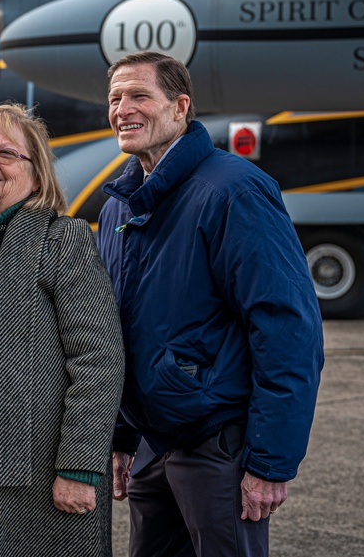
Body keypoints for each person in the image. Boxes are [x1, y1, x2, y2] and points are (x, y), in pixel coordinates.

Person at [96, 51, 325, 556]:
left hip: (217, 443)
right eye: (115, 98)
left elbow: (287, 328)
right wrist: (121, 436)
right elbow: (111, 332)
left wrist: (269, 462)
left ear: (180, 107)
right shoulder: (118, 205)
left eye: (138, 95)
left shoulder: (234, 191)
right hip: (153, 443)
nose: (122, 109)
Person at [0, 102, 125, 556]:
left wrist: (79, 466)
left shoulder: (62, 240)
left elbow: (98, 359)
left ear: (36, 175)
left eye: (7, 153)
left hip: (41, 474)